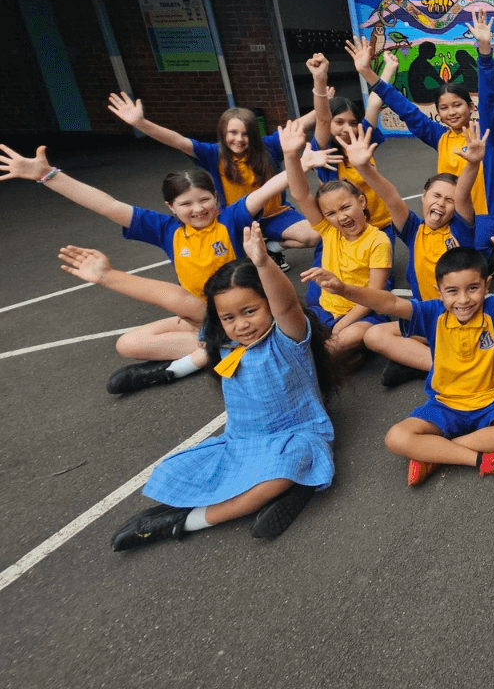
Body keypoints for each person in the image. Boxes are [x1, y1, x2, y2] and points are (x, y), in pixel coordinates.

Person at [88, 223, 339, 551]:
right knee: (171, 470)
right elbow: (176, 298)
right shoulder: (222, 342)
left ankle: (183, 521)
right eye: (230, 317)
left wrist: (264, 264)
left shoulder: (287, 338)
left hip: (297, 437)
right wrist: (109, 276)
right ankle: (293, 488)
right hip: (241, 442)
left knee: (282, 471)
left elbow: (287, 305)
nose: (241, 324)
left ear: (268, 305)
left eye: (250, 311)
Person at [0, 143, 319, 393]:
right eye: (186, 204)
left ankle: (196, 360)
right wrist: (48, 176)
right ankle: (218, 350)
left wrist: (298, 163)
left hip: (247, 311)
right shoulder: (166, 230)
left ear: (216, 199)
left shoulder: (232, 219)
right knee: (128, 344)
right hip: (205, 315)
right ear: (171, 207)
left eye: (204, 199)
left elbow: (267, 189)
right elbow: (107, 205)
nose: (198, 209)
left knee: (179, 300)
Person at [302, 246, 494, 487]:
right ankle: (482, 459)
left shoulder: (493, 310)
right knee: (396, 438)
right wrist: (344, 289)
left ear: (487, 284)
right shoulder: (432, 313)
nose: (463, 299)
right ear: (439, 291)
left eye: (473, 288)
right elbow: (390, 303)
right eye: (452, 291)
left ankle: (435, 453)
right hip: (446, 404)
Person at [347, 9, 494, 253]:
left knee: (480, 256)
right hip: (453, 216)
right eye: (444, 108)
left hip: (484, 215)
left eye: (457, 105)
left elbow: (489, 98)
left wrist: (484, 53)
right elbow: (407, 111)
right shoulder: (439, 136)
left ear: (470, 107)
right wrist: (368, 73)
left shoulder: (484, 134)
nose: (451, 112)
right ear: (438, 113)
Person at [106, 94, 323, 267]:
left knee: (314, 236)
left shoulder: (269, 146)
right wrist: (141, 123)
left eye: (245, 133)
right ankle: (258, 252)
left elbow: (300, 124)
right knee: (232, 265)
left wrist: (321, 96)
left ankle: (273, 247)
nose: (239, 139)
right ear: (222, 133)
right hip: (235, 218)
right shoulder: (213, 154)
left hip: (274, 214)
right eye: (233, 132)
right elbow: (178, 141)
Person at [337, 123, 477, 387]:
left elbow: (464, 197)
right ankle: (439, 366)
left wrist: (471, 165)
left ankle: (431, 365)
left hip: (462, 315)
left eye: (449, 200)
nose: (441, 203)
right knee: (374, 336)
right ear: (423, 197)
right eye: (436, 195)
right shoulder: (414, 230)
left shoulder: (461, 229)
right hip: (429, 316)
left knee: (397, 353)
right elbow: (390, 197)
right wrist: (364, 168)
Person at [280, 119, 390, 356]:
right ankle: (347, 357)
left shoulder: (378, 241)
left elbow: (375, 296)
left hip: (364, 312)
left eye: (345, 207)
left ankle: (346, 354)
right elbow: (300, 194)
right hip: (326, 309)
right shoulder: (329, 231)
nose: (340, 217)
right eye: (330, 213)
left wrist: (341, 324)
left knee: (338, 342)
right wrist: (291, 156)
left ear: (361, 202)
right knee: (286, 337)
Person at [306, 53, 395, 247]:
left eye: (353, 123)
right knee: (350, 277)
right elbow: (322, 119)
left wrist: (389, 67)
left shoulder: (360, 141)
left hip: (381, 226)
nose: (348, 129)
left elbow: (374, 104)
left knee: (383, 277)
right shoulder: (325, 154)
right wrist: (320, 79)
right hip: (348, 233)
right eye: (339, 122)